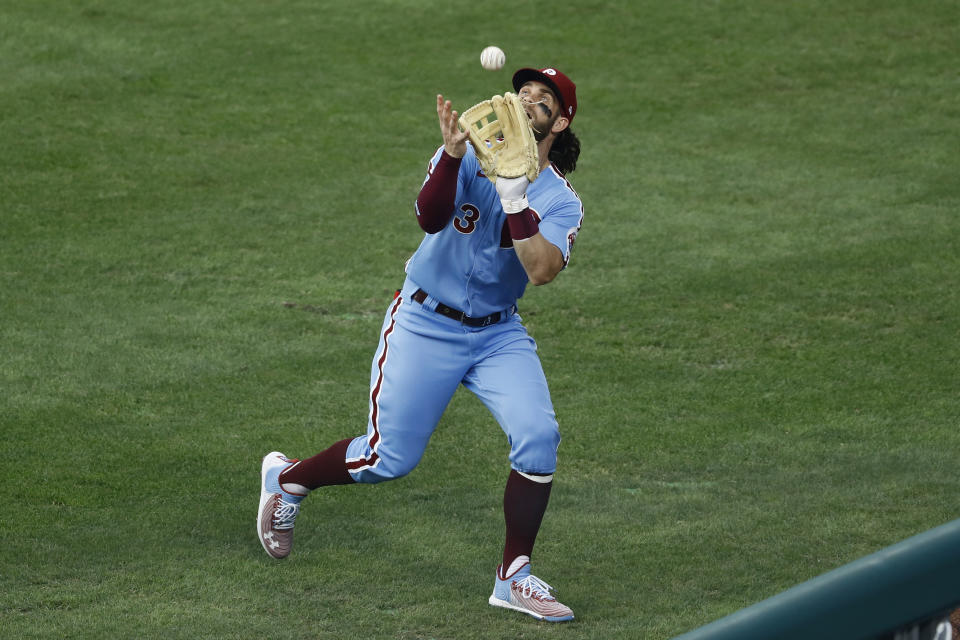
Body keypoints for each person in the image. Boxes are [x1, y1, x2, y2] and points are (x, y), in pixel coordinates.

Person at [257, 66, 584, 623]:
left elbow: (542, 271)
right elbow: (429, 218)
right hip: (425, 322)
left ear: (562, 119)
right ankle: (286, 480)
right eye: (523, 92)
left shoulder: (560, 201)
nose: (528, 101)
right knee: (388, 459)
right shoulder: (465, 154)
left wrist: (513, 200)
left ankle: (514, 576)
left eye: (543, 99)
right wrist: (455, 155)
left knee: (539, 436)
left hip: (496, 334)